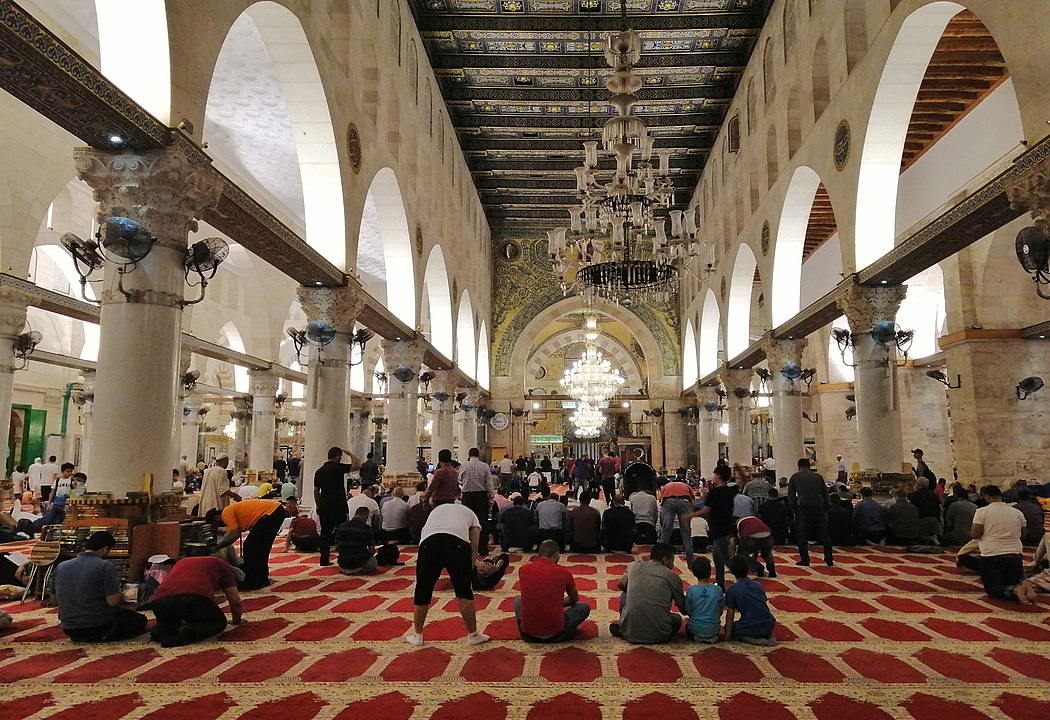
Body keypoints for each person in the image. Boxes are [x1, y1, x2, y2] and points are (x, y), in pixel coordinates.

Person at [406, 496, 489, 646]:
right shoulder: (471, 514)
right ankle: (473, 635)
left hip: (428, 544)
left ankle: (417, 635)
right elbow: (475, 542)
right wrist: (469, 568)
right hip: (456, 543)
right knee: (464, 591)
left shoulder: (436, 510)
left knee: (422, 589)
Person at [54, 531, 148, 642]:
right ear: (105, 549)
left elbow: (54, 600)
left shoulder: (61, 566)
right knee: (139, 620)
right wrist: (125, 596)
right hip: (98, 626)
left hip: (69, 628)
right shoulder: (105, 566)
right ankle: (106, 635)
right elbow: (112, 601)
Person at [149, 555, 243, 647]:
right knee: (218, 622)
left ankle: (159, 631)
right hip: (190, 598)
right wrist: (237, 621)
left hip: (159, 601)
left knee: (169, 624)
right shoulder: (224, 567)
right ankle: (189, 632)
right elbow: (235, 602)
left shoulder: (182, 561)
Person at [515, 539, 591, 642]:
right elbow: (574, 599)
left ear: (539, 554)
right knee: (583, 607)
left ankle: (527, 627)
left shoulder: (523, 569)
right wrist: (556, 603)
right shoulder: (563, 572)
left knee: (518, 600)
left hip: (528, 635)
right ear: (556, 555)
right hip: (556, 634)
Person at [611, 542, 686, 644]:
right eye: (672, 560)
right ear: (665, 560)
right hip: (660, 635)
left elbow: (620, 585)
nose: (673, 565)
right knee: (677, 619)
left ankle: (624, 626)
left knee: (625, 594)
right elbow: (683, 608)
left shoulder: (634, 566)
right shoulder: (672, 576)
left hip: (629, 633)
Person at [207, 498, 287, 590]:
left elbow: (234, 535)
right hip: (275, 511)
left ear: (216, 518)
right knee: (261, 548)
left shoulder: (226, 513)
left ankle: (251, 581)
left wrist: (218, 547)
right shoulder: (230, 511)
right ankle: (261, 579)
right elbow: (230, 532)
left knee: (249, 546)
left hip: (270, 513)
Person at [970, 484, 1027, 602]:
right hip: (1015, 556)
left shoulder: (982, 512)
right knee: (1012, 582)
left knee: (992, 589)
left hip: (991, 557)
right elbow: (1024, 534)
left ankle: (1015, 590)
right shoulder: (1017, 512)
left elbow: (975, 534)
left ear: (987, 496)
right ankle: (1020, 588)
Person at [313, 446, 358, 566]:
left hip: (325, 504)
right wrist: (350, 454)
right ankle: (344, 557)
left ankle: (324, 560)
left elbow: (316, 491)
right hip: (338, 504)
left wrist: (318, 505)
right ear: (338, 456)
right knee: (343, 530)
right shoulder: (338, 468)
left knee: (325, 534)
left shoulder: (319, 471)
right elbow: (357, 466)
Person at [787, 458, 833, 566]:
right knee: (824, 534)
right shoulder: (818, 477)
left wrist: (794, 510)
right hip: (818, 507)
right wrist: (825, 508)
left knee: (802, 535)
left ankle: (805, 559)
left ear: (799, 466)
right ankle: (829, 558)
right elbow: (825, 494)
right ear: (809, 466)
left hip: (803, 508)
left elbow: (791, 496)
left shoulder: (795, 477)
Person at [697, 466, 737, 588]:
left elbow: (705, 510)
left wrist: (690, 515)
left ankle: (746, 575)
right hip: (725, 528)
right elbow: (744, 481)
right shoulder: (731, 490)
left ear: (718, 476)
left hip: (719, 529)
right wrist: (739, 469)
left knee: (725, 559)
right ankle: (720, 584)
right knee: (717, 557)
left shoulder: (714, 493)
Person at [723, 555, 777, 646]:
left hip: (750, 626)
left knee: (733, 628)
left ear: (732, 572)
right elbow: (762, 602)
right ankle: (769, 635)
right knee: (760, 624)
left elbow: (730, 614)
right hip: (769, 623)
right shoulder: (758, 585)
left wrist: (728, 635)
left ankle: (750, 638)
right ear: (748, 569)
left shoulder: (733, 589)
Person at [459, 447, 496, 555]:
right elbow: (489, 483)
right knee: (482, 523)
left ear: (469, 455)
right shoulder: (484, 466)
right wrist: (491, 497)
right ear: (478, 455)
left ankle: (468, 548)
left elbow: (459, 480)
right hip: (481, 496)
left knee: (468, 523)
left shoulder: (464, 465)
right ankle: (482, 549)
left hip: (467, 497)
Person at [658, 476, 696, 565]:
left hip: (668, 500)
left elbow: (661, 500)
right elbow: (692, 499)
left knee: (666, 530)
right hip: (685, 501)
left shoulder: (667, 485)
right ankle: (690, 561)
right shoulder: (686, 485)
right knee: (686, 533)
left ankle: (659, 559)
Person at [684, 557, 723, 643]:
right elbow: (720, 611)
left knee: (687, 627)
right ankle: (713, 637)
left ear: (694, 573)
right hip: (714, 629)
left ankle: (697, 637)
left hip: (695, 629)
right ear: (710, 572)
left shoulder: (691, 590)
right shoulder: (718, 590)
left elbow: (688, 611)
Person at [336, 506, 379, 575]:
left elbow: (337, 547)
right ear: (366, 516)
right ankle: (358, 570)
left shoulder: (342, 526)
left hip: (343, 562)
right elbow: (372, 550)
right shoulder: (366, 528)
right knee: (373, 562)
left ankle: (348, 570)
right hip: (360, 561)